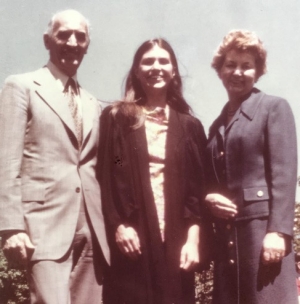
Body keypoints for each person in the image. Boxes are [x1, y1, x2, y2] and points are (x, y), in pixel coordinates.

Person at [0, 9, 110, 304]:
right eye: (64, 35)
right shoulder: (21, 86)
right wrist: (11, 228)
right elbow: (7, 160)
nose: (73, 42)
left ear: (87, 45)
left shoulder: (94, 104)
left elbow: (112, 160)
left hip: (92, 230)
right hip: (43, 227)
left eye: (81, 37)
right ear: (47, 41)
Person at [99, 38, 207, 304]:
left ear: (173, 71)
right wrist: (120, 225)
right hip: (133, 239)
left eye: (163, 61)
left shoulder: (190, 127)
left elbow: (196, 194)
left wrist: (193, 241)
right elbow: (112, 172)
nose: (156, 67)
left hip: (177, 242)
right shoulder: (118, 118)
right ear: (136, 70)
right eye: (148, 61)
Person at [205, 29, 298, 304]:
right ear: (220, 71)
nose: (237, 72)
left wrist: (278, 232)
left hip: (262, 238)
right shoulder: (215, 127)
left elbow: (284, 173)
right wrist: (208, 197)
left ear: (257, 72)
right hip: (227, 245)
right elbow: (210, 181)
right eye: (230, 65)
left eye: (247, 66)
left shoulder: (274, 108)